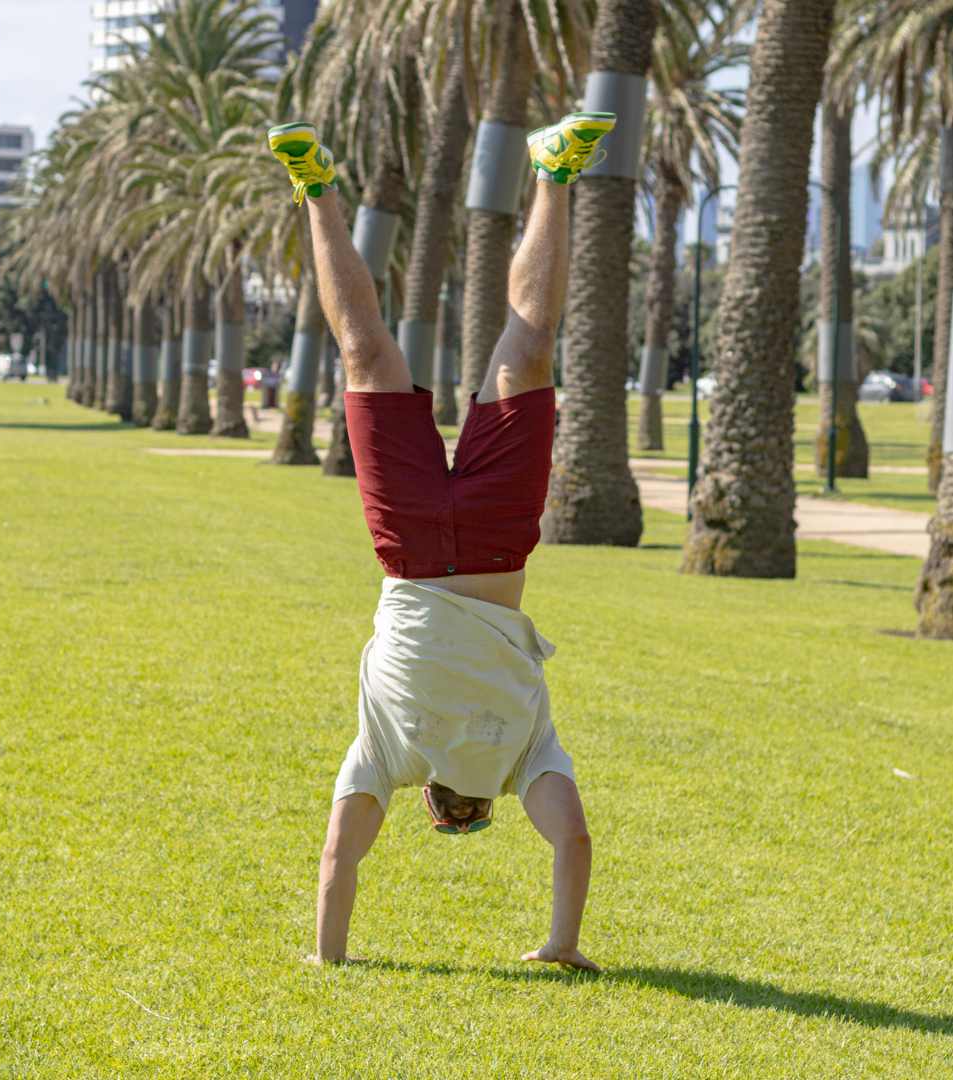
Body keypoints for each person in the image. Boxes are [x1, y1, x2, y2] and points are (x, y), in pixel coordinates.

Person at [268, 112, 617, 972]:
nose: (459, 816)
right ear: (489, 808)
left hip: (411, 548)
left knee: (364, 353)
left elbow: (339, 857)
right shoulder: (525, 761)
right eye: (472, 820)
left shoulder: (388, 757)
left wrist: (329, 957)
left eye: (449, 819)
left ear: (429, 804)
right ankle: (554, 171)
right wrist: (560, 947)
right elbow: (571, 841)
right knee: (529, 349)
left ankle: (314, 188)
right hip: (499, 541)